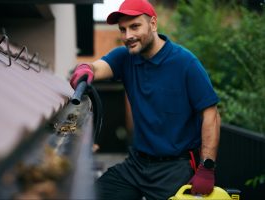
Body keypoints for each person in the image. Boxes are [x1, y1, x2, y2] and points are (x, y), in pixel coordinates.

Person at [69, 0, 221, 199]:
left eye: (135, 26)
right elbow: (97, 68)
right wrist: (85, 69)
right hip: (136, 165)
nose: (128, 36)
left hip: (175, 168)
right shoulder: (125, 57)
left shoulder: (185, 63)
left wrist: (206, 167)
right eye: (122, 29)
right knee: (93, 194)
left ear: (153, 24)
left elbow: (211, 115)